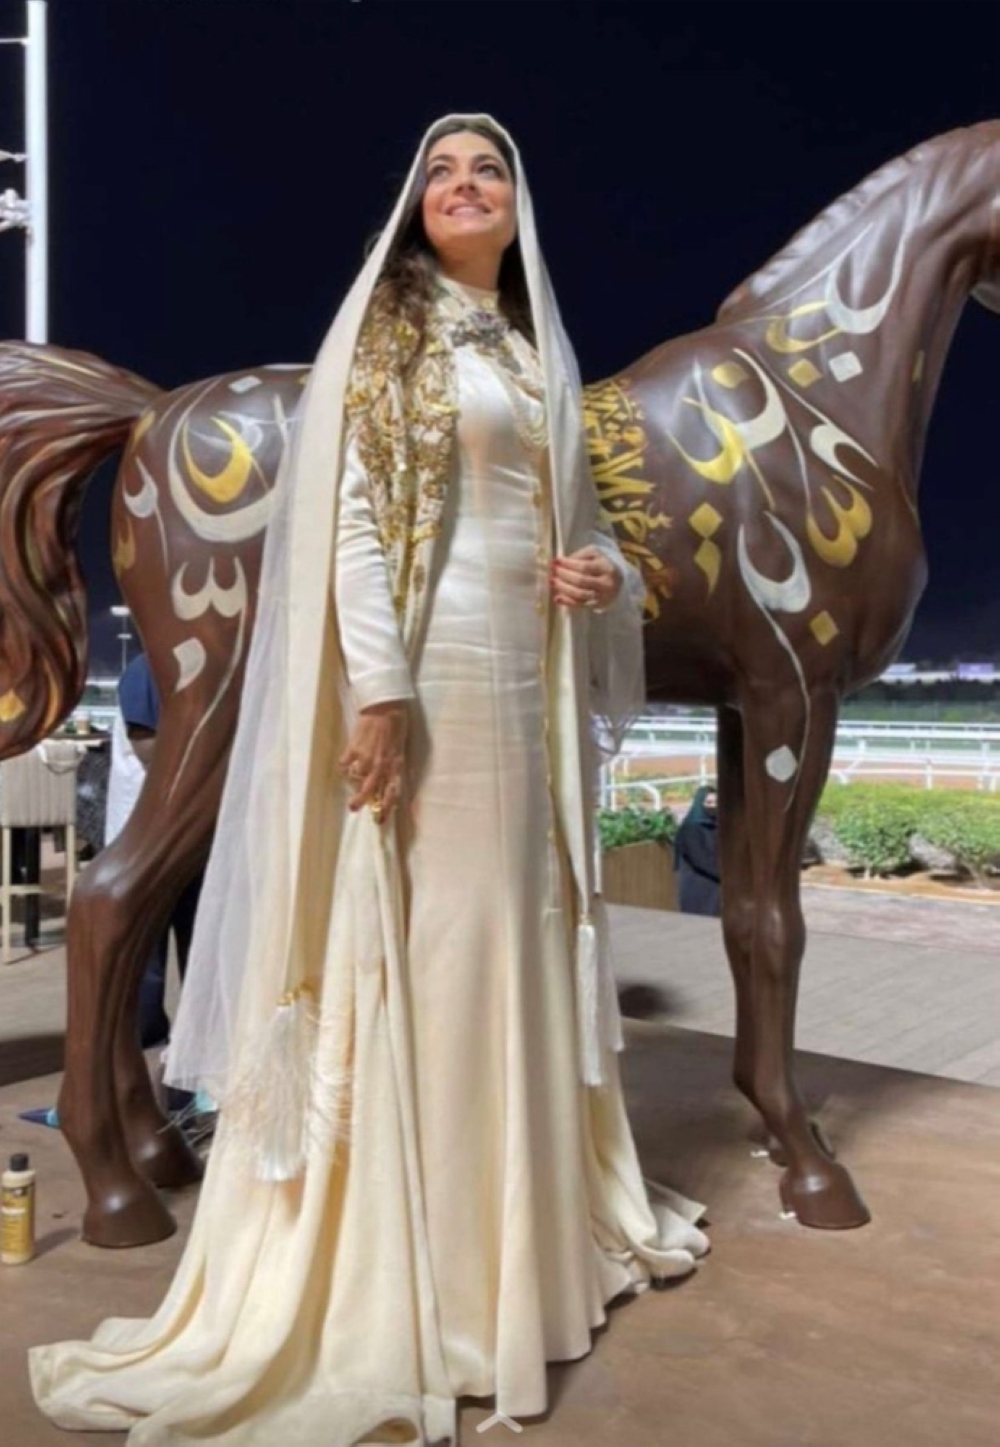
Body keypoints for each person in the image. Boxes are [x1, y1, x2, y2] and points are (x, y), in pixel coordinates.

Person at [30, 114, 708, 1446]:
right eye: (441, 171)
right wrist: (382, 693)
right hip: (434, 666)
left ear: (517, 204)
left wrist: (603, 575)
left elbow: (577, 523)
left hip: (526, 680)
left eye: (487, 169)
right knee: (435, 934)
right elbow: (347, 520)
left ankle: (520, 1236)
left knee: (510, 931)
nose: (464, 185)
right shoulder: (392, 334)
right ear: (415, 205)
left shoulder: (534, 349)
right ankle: (426, 1258)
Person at [107, 652, 203, 1055]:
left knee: (196, 935)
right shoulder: (149, 666)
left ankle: (193, 1033)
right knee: (147, 944)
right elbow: (148, 746)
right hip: (149, 832)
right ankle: (146, 1031)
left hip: (181, 826)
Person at [674, 785, 721, 916]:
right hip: (698, 886)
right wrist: (727, 875)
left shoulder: (718, 826)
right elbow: (700, 859)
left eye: (716, 802)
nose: (713, 806)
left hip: (716, 888)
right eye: (709, 802)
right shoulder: (690, 829)